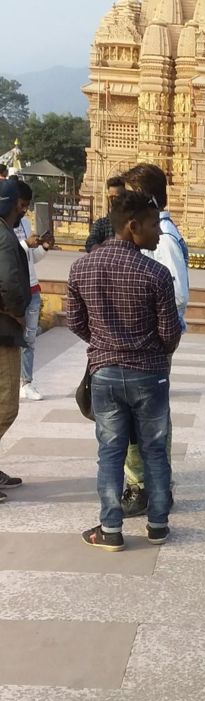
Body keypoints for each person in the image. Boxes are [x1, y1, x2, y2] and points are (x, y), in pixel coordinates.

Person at [67, 191, 182, 550]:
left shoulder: (81, 268)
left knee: (111, 452)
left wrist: (105, 343)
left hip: (105, 373)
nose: (159, 232)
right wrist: (149, 351)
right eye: (153, 225)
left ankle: (110, 529)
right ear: (133, 226)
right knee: (154, 450)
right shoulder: (156, 274)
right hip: (149, 373)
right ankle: (158, 525)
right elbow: (169, 333)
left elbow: (75, 321)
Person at [120, 162, 190, 517]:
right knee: (144, 414)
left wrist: (156, 332)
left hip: (148, 342)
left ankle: (147, 487)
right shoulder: (146, 232)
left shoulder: (162, 237)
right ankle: (152, 484)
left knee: (147, 416)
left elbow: (177, 293)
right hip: (141, 340)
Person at [0, 177, 31, 504]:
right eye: (21, 206)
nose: (23, 212)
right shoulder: (5, 236)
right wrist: (18, 312)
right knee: (6, 405)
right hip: (4, 329)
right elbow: (9, 281)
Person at [15, 180, 53, 401]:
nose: (24, 209)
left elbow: (30, 258)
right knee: (9, 339)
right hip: (12, 290)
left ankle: (26, 382)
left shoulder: (25, 223)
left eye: (27, 205)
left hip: (32, 286)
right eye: (22, 204)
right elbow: (7, 254)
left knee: (29, 338)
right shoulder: (3, 224)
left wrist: (43, 248)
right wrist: (24, 245)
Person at [85, 177, 126, 252]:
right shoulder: (101, 223)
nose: (114, 200)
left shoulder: (131, 223)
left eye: (117, 197)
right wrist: (105, 252)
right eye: (111, 197)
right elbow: (90, 243)